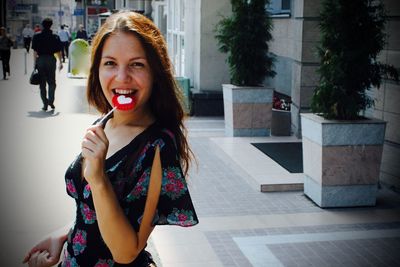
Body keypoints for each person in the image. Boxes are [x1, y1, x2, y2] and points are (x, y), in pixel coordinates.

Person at [23, 11, 198, 267]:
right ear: (97, 68)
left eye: (137, 64)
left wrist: (98, 179)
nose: (122, 77)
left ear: (155, 71)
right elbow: (91, 211)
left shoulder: (158, 145)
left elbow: (126, 252)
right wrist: (63, 235)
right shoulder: (104, 123)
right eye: (110, 63)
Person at [31, 18, 63, 111]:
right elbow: (58, 51)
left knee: (42, 83)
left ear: (42, 25)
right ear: (51, 25)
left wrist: (35, 63)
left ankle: (45, 104)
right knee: (52, 82)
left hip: (40, 60)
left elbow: (35, 51)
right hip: (51, 60)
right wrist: (60, 62)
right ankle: (51, 101)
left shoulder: (37, 36)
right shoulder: (55, 37)